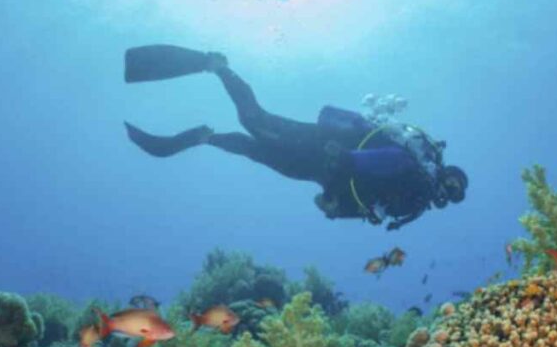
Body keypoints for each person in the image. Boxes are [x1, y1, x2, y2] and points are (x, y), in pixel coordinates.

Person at [122, 45, 468, 231]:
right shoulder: (417, 171)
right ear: (443, 170)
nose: (448, 191)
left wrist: (333, 209)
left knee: (253, 149)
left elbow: (368, 206)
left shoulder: (413, 205)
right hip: (325, 148)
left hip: (319, 172)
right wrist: (349, 160)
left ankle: (205, 137)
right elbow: (392, 160)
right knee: (255, 120)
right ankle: (217, 65)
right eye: (451, 182)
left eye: (454, 195)